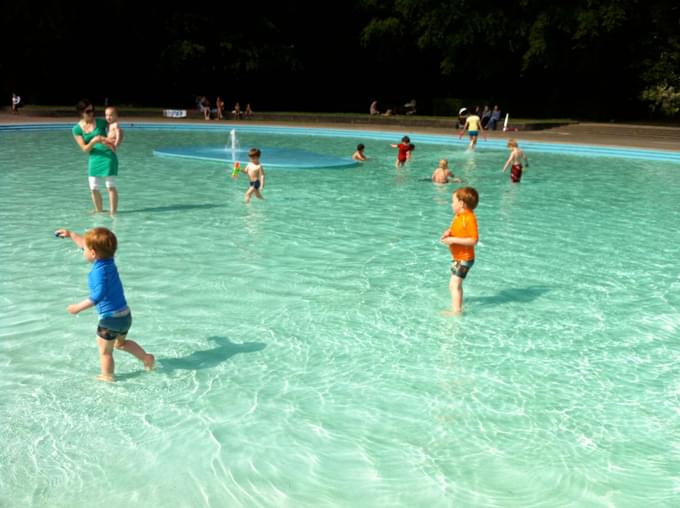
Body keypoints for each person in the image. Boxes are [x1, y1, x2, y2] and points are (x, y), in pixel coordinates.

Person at [54, 227, 155, 382]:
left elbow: (97, 296)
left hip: (109, 320)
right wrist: (72, 235)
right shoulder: (109, 260)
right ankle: (146, 357)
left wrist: (77, 308)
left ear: (93, 253)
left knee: (105, 352)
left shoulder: (97, 273)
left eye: (85, 249)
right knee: (121, 344)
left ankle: (107, 376)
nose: (83, 250)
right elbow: (85, 244)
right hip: (125, 316)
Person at [72, 99, 120, 215]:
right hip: (94, 158)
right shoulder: (76, 129)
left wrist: (116, 142)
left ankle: (113, 213)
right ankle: (99, 211)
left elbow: (116, 128)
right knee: (93, 187)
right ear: (81, 112)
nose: (91, 113)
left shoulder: (101, 123)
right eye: (88, 111)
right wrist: (94, 141)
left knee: (110, 186)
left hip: (108, 156)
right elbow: (84, 149)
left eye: (92, 110)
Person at [440, 187, 479, 315]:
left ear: (461, 204)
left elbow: (474, 240)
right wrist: (449, 233)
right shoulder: (459, 216)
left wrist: (453, 240)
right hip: (458, 257)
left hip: (465, 258)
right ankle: (458, 305)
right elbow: (458, 230)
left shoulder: (469, 218)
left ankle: (457, 311)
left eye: (453, 201)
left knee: (454, 284)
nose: (451, 204)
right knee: (455, 284)